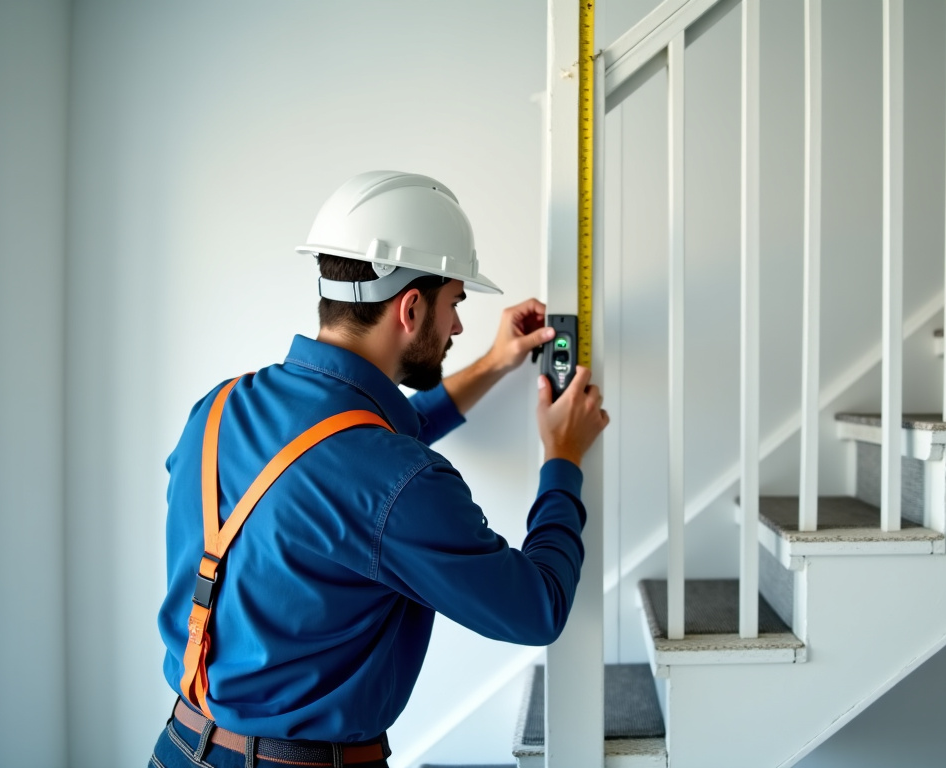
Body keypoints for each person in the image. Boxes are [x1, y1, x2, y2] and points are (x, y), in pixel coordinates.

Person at [150, 171, 609, 768]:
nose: (460, 328)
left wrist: (496, 364)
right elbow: (536, 609)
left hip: (180, 747)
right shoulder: (396, 479)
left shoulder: (217, 408)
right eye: (456, 304)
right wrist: (563, 460)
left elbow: (351, 454)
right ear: (411, 307)